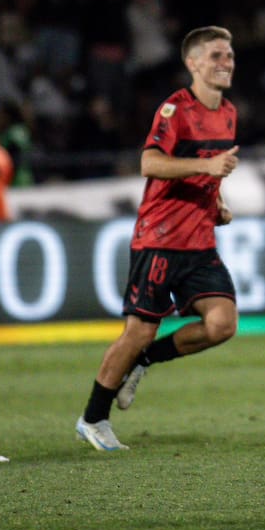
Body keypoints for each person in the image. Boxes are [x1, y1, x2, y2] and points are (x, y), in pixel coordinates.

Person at [75, 26, 241, 451]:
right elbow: (150, 162)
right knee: (137, 333)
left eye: (229, 55)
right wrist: (207, 171)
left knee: (222, 324)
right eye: (216, 56)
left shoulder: (228, 113)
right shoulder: (175, 109)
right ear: (193, 63)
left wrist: (216, 200)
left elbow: (209, 168)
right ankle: (93, 418)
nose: (226, 63)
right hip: (159, 239)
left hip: (199, 241)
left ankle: (145, 363)